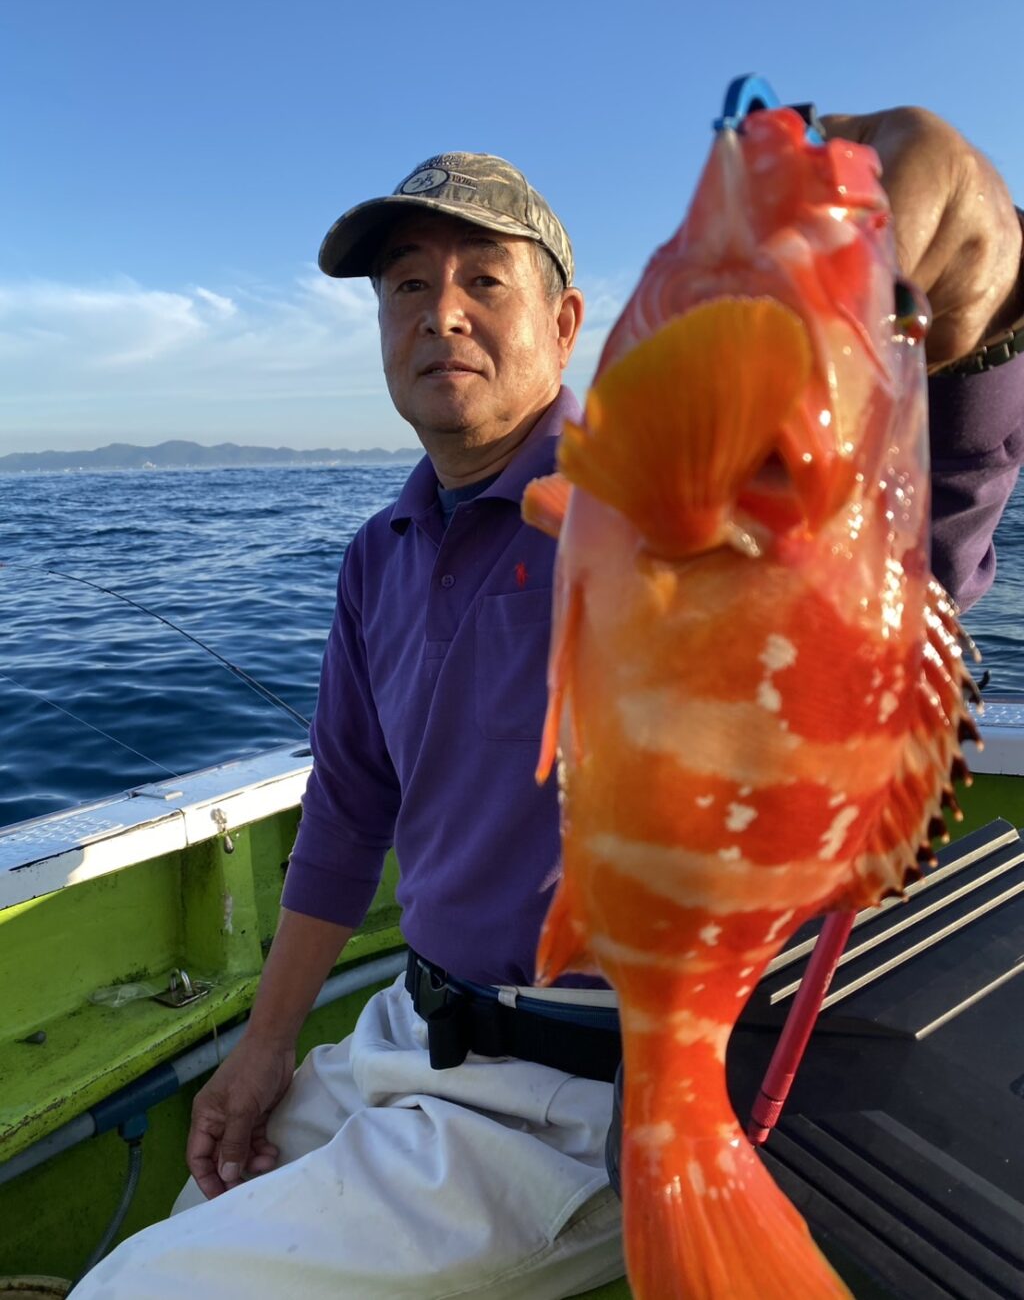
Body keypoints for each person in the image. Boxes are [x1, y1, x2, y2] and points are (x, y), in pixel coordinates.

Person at [71, 110, 1024, 1299]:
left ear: (568, 324)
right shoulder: (377, 554)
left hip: (580, 1093)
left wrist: (981, 308)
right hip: (408, 1033)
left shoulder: (663, 483)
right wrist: (265, 1049)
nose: (441, 312)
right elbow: (350, 813)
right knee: (192, 1208)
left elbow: (909, 543)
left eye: (484, 279)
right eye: (406, 286)